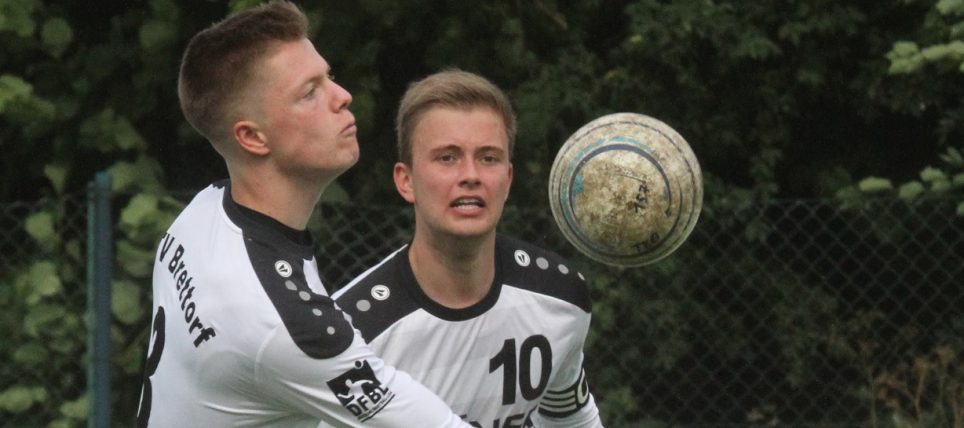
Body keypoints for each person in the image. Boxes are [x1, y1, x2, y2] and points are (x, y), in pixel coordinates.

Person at [136, 2, 471, 427]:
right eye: (309, 92)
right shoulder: (283, 327)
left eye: (328, 77)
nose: (342, 95)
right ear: (253, 137)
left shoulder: (202, 214)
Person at [331, 70, 604, 427]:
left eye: (488, 158)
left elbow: (571, 417)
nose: (471, 175)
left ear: (507, 180)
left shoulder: (561, 297)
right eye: (447, 157)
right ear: (406, 181)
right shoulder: (350, 334)